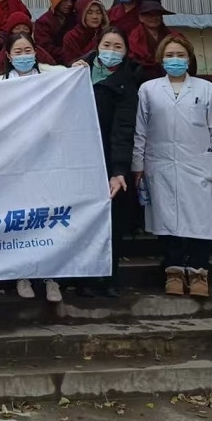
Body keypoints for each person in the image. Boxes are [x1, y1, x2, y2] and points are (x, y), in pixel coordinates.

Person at [132, 34, 212, 298]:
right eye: (169, 55)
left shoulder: (207, 89)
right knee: (167, 219)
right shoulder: (148, 90)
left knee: (202, 219)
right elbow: (140, 131)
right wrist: (137, 164)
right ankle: (174, 272)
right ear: (160, 59)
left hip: (199, 164)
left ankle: (199, 271)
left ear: (189, 59)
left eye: (180, 55)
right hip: (160, 163)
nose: (174, 60)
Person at [0, 32, 66, 304]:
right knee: (19, 219)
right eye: (18, 51)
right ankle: (22, 273)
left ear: (36, 52)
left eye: (28, 50)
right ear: (8, 55)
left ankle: (51, 276)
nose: (24, 56)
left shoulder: (52, 79)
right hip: (14, 164)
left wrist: (80, 68)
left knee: (47, 217)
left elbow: (71, 82)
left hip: (48, 160)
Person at [73, 26, 142, 297]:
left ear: (126, 52)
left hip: (109, 160)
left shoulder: (127, 82)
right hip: (78, 160)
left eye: (118, 47)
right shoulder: (77, 73)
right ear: (97, 46)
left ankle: (108, 278)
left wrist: (119, 169)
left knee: (111, 221)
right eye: (106, 45)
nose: (111, 51)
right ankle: (82, 279)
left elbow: (124, 129)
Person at [0, 11, 57, 75]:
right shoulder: (1, 57)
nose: (21, 31)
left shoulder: (41, 53)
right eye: (17, 28)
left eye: (25, 29)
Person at [33, 0, 78, 64]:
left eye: (71, 1)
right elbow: (45, 47)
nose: (69, 4)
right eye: (65, 0)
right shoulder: (43, 22)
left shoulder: (76, 18)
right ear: (56, 1)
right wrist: (69, 55)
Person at [128, 0, 173, 79]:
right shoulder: (135, 36)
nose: (153, 18)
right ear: (141, 18)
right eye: (149, 15)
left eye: (157, 14)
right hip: (143, 75)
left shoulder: (170, 34)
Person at [62, 0, 109, 65]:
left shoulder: (107, 34)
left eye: (98, 12)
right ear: (81, 15)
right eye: (89, 13)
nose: (95, 17)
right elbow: (70, 62)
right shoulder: (71, 37)